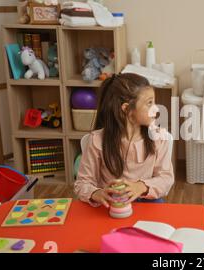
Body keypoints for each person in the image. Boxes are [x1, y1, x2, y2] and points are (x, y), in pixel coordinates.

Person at [74, 73, 174, 208]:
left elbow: (166, 178)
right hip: (111, 204)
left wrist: (141, 187)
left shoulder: (158, 138)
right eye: (149, 103)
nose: (156, 108)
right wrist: (97, 193)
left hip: (147, 201)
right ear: (126, 109)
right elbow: (82, 183)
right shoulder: (97, 140)